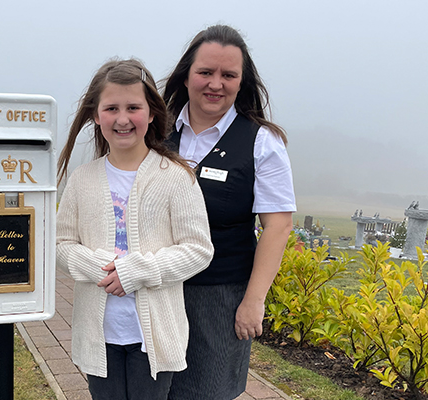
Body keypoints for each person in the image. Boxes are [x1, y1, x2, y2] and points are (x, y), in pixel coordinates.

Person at [56, 58, 214, 400]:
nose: (123, 118)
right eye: (111, 108)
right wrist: (101, 267)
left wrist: (135, 271)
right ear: (96, 116)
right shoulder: (82, 179)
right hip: (99, 336)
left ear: (152, 112)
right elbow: (61, 244)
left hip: (154, 338)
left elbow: (199, 249)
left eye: (133, 107)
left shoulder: (175, 176)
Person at [162, 25, 296, 400]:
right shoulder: (156, 132)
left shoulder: (262, 142)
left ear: (242, 81)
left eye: (228, 75)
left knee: (207, 392)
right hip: (155, 289)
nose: (215, 83)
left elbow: (278, 227)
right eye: (205, 72)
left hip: (220, 298)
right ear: (186, 75)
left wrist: (253, 302)